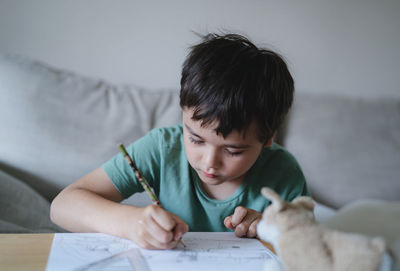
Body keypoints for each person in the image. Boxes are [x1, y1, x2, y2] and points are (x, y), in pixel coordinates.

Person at [50, 33, 310, 250]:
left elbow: (308, 241)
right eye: (196, 139)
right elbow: (63, 206)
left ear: (267, 140)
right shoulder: (162, 149)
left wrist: (268, 225)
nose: (209, 162)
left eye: (232, 150)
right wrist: (131, 223)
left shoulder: (283, 172)